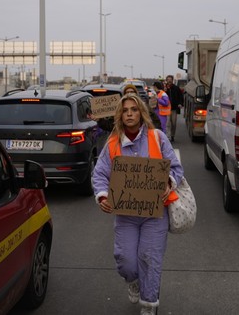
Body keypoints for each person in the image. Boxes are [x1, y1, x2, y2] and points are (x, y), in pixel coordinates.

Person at [92, 93, 184, 315]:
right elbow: (100, 174)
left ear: (141, 112)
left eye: (134, 109)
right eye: (125, 110)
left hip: (155, 214)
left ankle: (149, 305)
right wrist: (103, 196)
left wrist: (168, 183)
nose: (130, 114)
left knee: (149, 259)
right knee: (126, 261)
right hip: (126, 216)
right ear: (120, 115)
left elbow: (176, 168)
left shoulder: (157, 137)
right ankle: (133, 281)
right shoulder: (113, 143)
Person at [164, 75, 184, 142]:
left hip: (174, 109)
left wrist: (180, 103)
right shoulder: (164, 89)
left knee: (174, 123)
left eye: (170, 79)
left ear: (172, 80)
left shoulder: (176, 88)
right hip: (166, 109)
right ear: (166, 80)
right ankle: (168, 136)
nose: (169, 81)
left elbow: (180, 96)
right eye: (168, 79)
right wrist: (165, 90)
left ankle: (172, 135)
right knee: (167, 124)